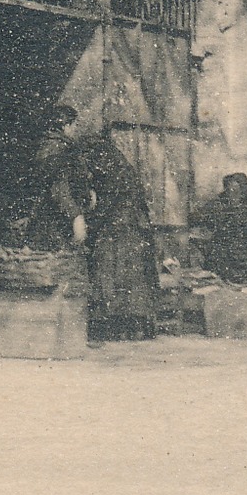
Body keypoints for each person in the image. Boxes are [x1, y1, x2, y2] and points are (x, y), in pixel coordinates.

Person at [77, 132, 159, 342]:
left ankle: (114, 326)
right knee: (133, 280)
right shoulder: (123, 168)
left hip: (117, 231)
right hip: (135, 231)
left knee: (111, 275)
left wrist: (91, 224)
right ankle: (135, 327)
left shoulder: (110, 173)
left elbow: (107, 205)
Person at [24, 105, 87, 250]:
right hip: (55, 223)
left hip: (45, 219)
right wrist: (76, 217)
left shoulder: (48, 147)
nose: (76, 129)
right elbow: (59, 188)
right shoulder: (59, 150)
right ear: (66, 125)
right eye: (74, 124)